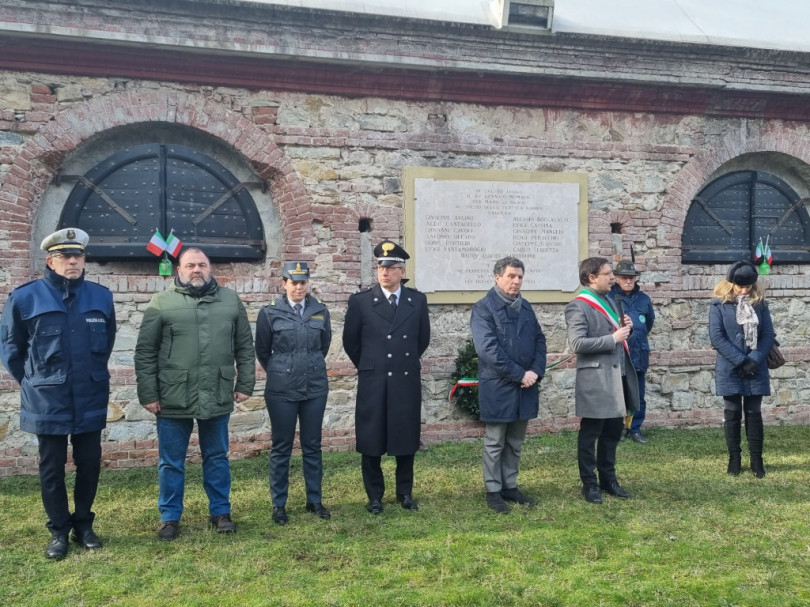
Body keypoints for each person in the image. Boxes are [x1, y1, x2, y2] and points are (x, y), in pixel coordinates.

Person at [0, 228, 115, 559]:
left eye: (78, 256)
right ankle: (58, 531)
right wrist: (34, 382)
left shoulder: (101, 297)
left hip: (90, 394)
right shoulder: (25, 298)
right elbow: (11, 349)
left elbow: (105, 343)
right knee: (51, 467)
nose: (73, 261)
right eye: (65, 256)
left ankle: (84, 524)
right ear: (50, 260)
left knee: (89, 462)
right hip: (46, 398)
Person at [134, 247, 255, 540]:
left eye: (202, 265)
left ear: (210, 268)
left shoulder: (230, 300)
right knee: (171, 460)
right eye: (190, 265)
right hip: (173, 395)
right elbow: (145, 351)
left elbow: (244, 347)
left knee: (216, 456)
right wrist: (148, 394)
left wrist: (245, 384)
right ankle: (170, 517)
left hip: (216, 391)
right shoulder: (162, 302)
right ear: (179, 270)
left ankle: (221, 512)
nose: (196, 270)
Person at [342, 240, 430, 514]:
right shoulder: (362, 302)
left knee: (405, 436)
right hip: (374, 379)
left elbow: (422, 340)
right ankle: (375, 495)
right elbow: (350, 341)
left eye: (391, 267)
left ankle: (405, 492)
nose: (384, 272)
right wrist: (370, 365)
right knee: (371, 438)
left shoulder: (417, 300)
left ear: (402, 271)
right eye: (381, 266)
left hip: (405, 380)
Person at [255, 261, 332, 525]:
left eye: (303, 282)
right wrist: (282, 370)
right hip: (281, 389)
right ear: (284, 283)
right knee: (281, 446)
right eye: (294, 282)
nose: (299, 287)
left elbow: (323, 346)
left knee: (312, 445)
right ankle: (279, 504)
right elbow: (263, 351)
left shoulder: (320, 310)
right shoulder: (270, 312)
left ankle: (315, 499)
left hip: (314, 387)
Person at [470, 257, 547, 514]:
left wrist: (535, 371)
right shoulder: (483, 308)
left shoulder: (525, 308)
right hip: (499, 386)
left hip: (525, 386)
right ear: (497, 277)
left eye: (520, 277)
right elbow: (487, 349)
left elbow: (539, 340)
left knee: (515, 441)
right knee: (495, 441)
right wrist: (519, 374)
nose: (516, 281)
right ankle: (493, 490)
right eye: (511, 276)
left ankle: (510, 485)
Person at [565, 257, 639, 504]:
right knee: (591, 434)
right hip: (596, 379)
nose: (613, 277)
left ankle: (609, 480)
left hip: (617, 376)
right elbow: (578, 344)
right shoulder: (578, 306)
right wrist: (614, 338)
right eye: (607, 273)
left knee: (613, 432)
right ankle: (590, 484)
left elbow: (618, 335)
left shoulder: (610, 300)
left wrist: (626, 327)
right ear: (591, 278)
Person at [709, 261, 774, 478]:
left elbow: (767, 336)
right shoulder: (718, 305)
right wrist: (740, 360)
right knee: (733, 412)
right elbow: (717, 338)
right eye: (740, 286)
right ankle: (734, 458)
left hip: (756, 366)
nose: (744, 290)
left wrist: (754, 359)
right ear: (731, 284)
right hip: (730, 367)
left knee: (754, 413)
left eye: (748, 287)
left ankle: (757, 459)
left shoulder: (761, 304)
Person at [608, 259, 655, 444]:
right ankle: (618, 428)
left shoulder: (644, 299)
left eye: (632, 278)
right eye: (624, 278)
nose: (628, 281)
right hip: (617, 353)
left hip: (639, 353)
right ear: (616, 279)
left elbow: (649, 322)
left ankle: (635, 428)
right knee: (617, 393)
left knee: (638, 394)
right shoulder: (609, 297)